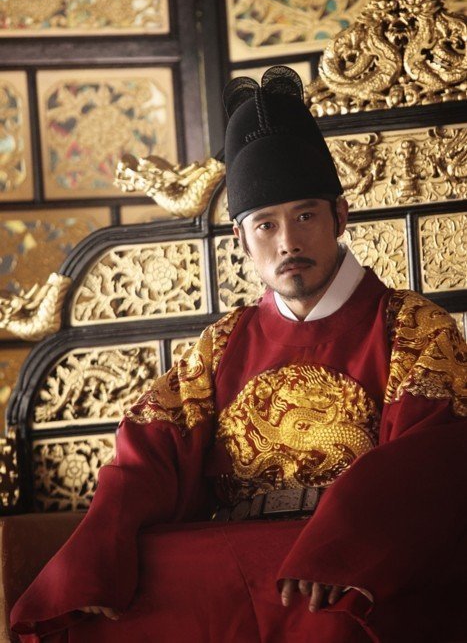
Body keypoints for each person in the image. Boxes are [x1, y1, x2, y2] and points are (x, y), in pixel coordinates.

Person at [11, 66, 467, 642]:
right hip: (232, 554)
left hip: (344, 558)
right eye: (265, 225)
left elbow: (430, 459)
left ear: (341, 215)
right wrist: (101, 553)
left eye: (305, 215)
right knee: (132, 584)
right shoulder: (222, 343)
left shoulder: (413, 328)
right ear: (241, 240)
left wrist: (344, 546)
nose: (288, 242)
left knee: (343, 612)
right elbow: (149, 454)